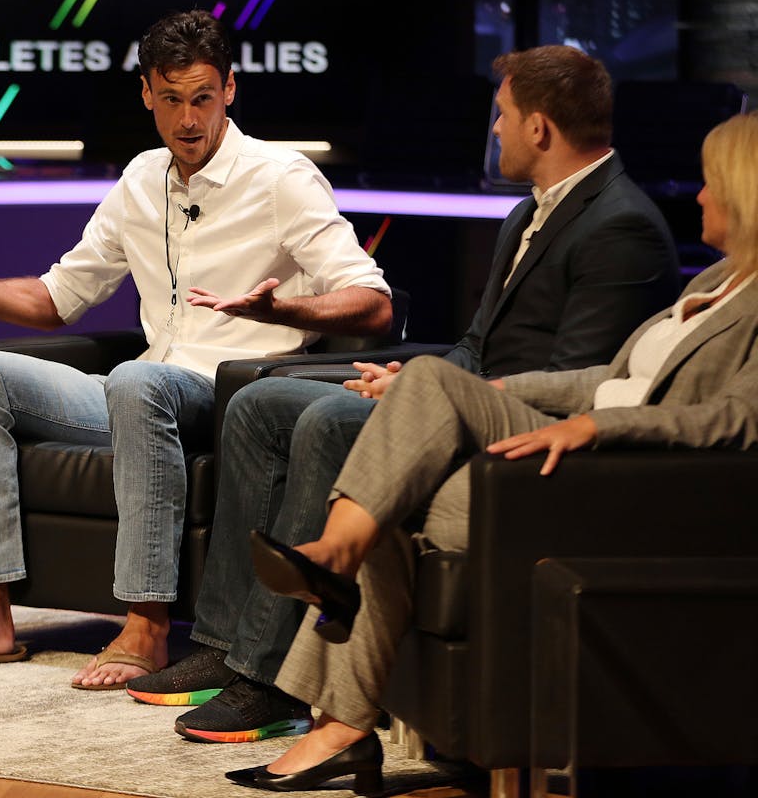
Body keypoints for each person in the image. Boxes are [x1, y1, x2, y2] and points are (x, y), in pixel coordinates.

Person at [126, 44, 681, 741]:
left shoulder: (619, 225)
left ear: (540, 128)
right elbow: (477, 347)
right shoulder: (528, 213)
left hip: (518, 426)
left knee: (327, 422)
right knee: (261, 403)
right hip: (458, 395)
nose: (496, 131)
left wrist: (437, 394)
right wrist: (409, 379)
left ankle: (270, 677)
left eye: (503, 116)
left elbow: (581, 376)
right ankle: (220, 639)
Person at [226, 109, 758, 793]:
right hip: (574, 461)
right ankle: (338, 721)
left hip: (623, 482)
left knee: (400, 459)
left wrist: (599, 430)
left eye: (713, 183)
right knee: (392, 486)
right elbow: (607, 380)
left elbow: (739, 419)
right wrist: (492, 389)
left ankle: (331, 578)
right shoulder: (708, 287)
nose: (701, 196)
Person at [0, 8, 394, 688]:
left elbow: (373, 301)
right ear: (146, 95)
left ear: (230, 90)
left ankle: (148, 623)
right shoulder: (140, 179)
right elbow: (57, 296)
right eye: (171, 101)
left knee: (135, 381)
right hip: (142, 388)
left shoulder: (282, 177)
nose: (189, 121)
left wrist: (285, 307)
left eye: (203, 99)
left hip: (229, 393)